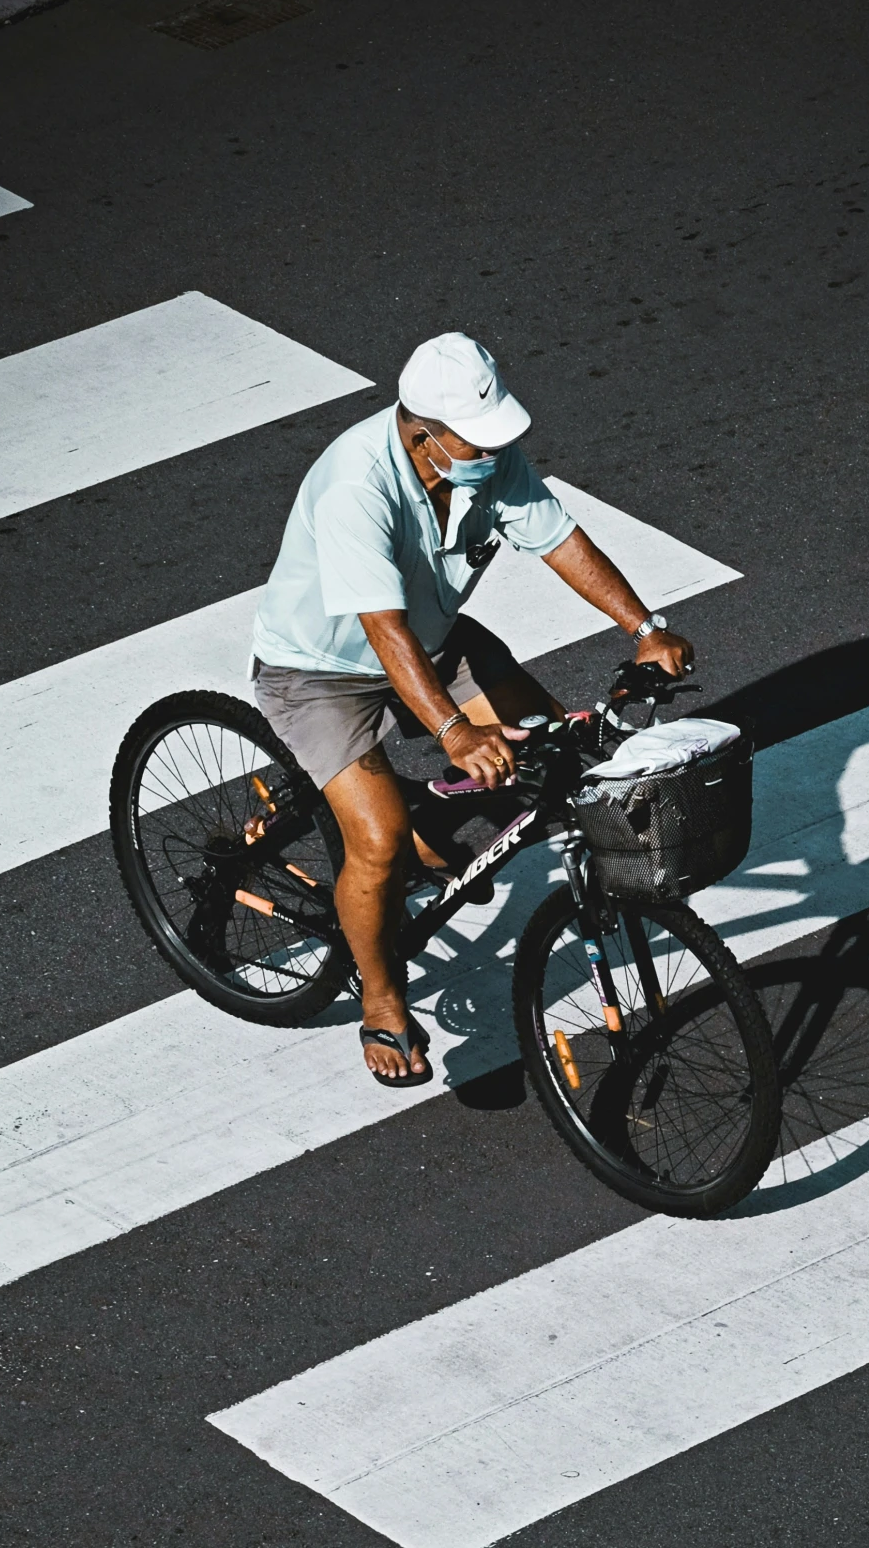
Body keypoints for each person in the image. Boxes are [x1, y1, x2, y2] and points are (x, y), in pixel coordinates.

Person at [249, 332, 694, 1085]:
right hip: (322, 671)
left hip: (430, 639)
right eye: (476, 438)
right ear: (421, 431)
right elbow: (379, 631)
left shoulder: (480, 459)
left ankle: (434, 814)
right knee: (381, 843)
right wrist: (454, 731)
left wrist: (644, 629)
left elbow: (559, 541)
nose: (495, 451)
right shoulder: (359, 485)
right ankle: (383, 1002)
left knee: (550, 747)